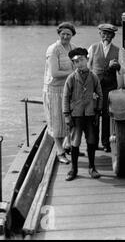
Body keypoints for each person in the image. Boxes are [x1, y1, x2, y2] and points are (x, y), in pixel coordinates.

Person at [62, 48, 103, 181]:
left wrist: (98, 111)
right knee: (75, 141)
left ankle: (92, 167)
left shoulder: (93, 77)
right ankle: (74, 169)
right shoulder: (71, 78)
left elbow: (100, 95)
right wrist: (67, 115)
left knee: (91, 140)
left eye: (82, 60)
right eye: (76, 62)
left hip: (90, 114)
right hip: (76, 116)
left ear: (87, 60)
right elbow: (65, 97)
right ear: (74, 64)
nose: (80, 63)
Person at [43, 22, 77, 164]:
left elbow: (80, 63)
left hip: (69, 88)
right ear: (59, 34)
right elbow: (55, 73)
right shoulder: (53, 49)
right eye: (63, 33)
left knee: (70, 118)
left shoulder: (73, 48)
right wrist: (74, 72)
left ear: (72, 35)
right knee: (57, 121)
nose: (65, 36)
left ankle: (68, 144)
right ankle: (60, 152)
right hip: (54, 89)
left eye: (68, 34)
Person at [88, 23, 120, 152]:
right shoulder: (93, 47)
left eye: (109, 34)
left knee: (107, 115)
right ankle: (93, 143)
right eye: (104, 33)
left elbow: (122, 70)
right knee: (94, 114)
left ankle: (106, 143)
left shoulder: (118, 50)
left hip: (110, 87)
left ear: (113, 36)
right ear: (100, 34)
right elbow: (88, 67)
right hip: (95, 87)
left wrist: (116, 66)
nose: (106, 36)